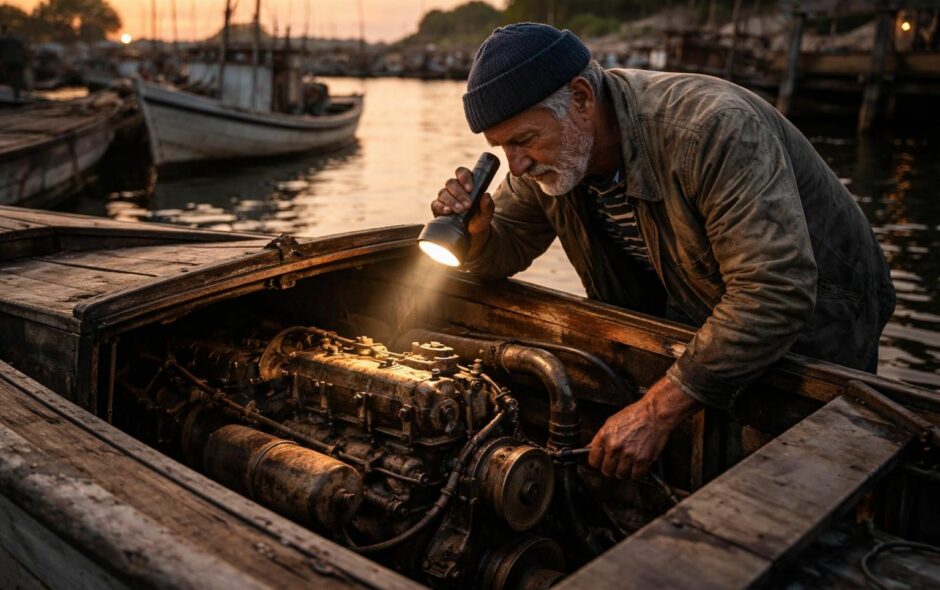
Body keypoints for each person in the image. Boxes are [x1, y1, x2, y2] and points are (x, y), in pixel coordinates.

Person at [431, 23, 895, 481]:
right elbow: (508, 244)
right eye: (501, 147)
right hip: (696, 321)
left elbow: (775, 292)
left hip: (820, 335)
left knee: (798, 492)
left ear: (581, 98)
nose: (516, 165)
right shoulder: (554, 160)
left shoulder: (713, 129)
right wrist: (478, 236)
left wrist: (656, 411)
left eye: (523, 140)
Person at [0, 24, 27, 100]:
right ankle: (17, 93)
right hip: (18, 61)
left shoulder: (4, 40)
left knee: (10, 77)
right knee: (17, 78)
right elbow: (23, 49)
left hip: (9, 62)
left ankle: (12, 93)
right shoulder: (18, 40)